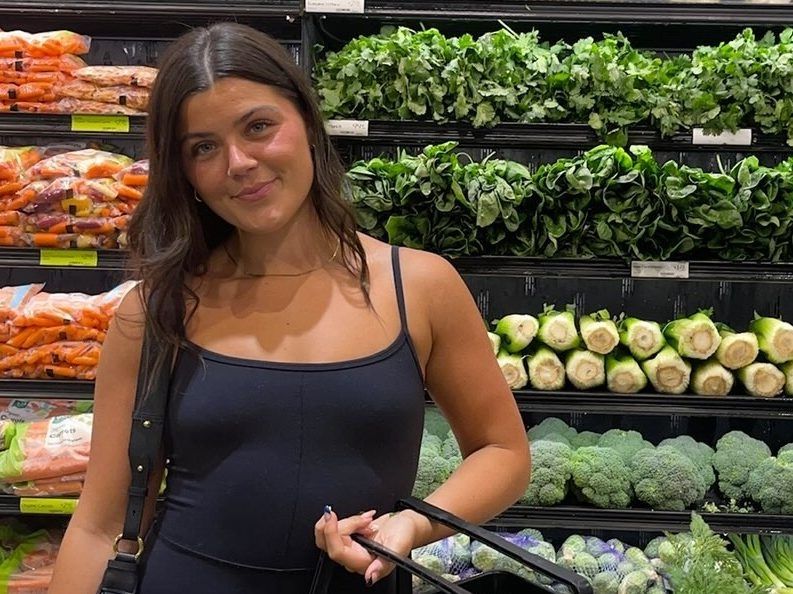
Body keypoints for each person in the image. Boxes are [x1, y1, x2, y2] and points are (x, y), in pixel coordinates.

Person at [48, 22, 530, 594]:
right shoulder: (156, 311)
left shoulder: (420, 286)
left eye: (258, 127)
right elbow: (100, 525)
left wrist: (412, 525)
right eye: (203, 147)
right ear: (185, 173)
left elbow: (503, 452)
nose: (239, 162)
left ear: (306, 121)